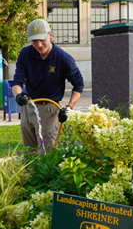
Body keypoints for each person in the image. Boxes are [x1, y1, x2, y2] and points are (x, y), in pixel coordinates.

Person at [11, 19, 84, 154]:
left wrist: (69, 108)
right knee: (29, 152)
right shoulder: (25, 54)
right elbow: (17, 81)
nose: (39, 45)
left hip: (49, 110)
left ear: (50, 35)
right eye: (34, 41)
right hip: (28, 106)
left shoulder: (63, 58)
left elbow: (79, 85)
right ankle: (31, 174)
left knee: (46, 154)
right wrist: (18, 96)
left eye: (41, 40)